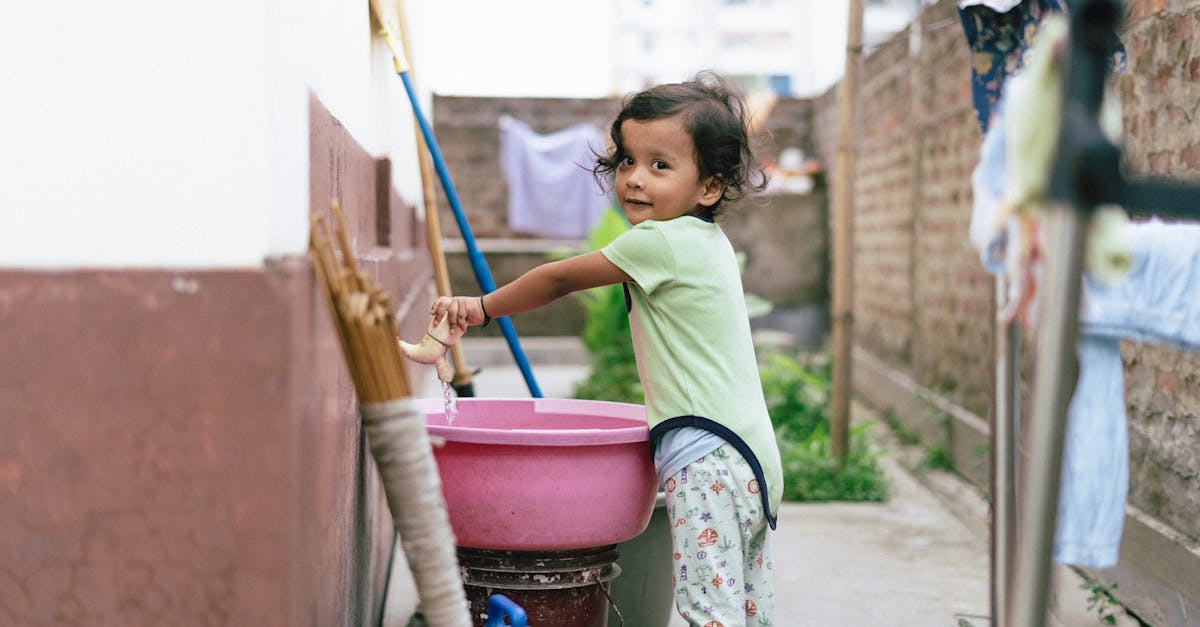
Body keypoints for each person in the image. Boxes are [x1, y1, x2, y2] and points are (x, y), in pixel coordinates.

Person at [429, 71, 782, 627]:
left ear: (709, 187)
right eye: (627, 161)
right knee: (741, 608)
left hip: (707, 455)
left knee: (708, 614)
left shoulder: (660, 241)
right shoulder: (706, 241)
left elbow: (557, 280)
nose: (635, 179)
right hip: (751, 456)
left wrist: (480, 308)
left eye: (660, 165)